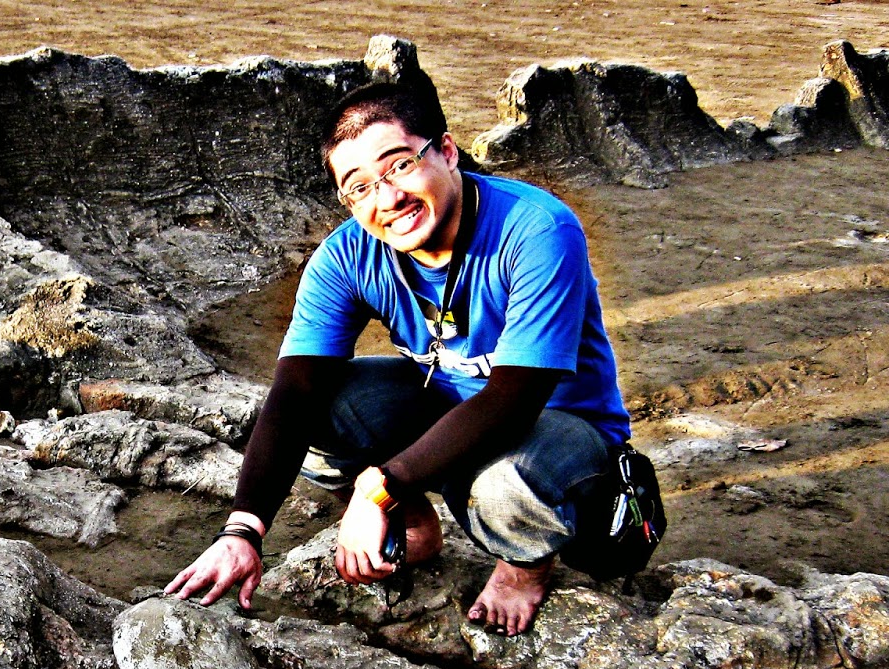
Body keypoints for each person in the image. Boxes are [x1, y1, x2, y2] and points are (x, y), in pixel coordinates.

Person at [165, 80, 632, 636]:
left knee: (504, 485)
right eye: (358, 188)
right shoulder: (346, 256)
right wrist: (242, 533)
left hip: (556, 432)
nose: (386, 200)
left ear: (447, 151)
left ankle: (523, 565)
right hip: (445, 405)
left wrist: (378, 485)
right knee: (316, 415)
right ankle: (413, 525)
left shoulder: (536, 229)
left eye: (399, 166)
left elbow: (516, 398)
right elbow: (295, 393)